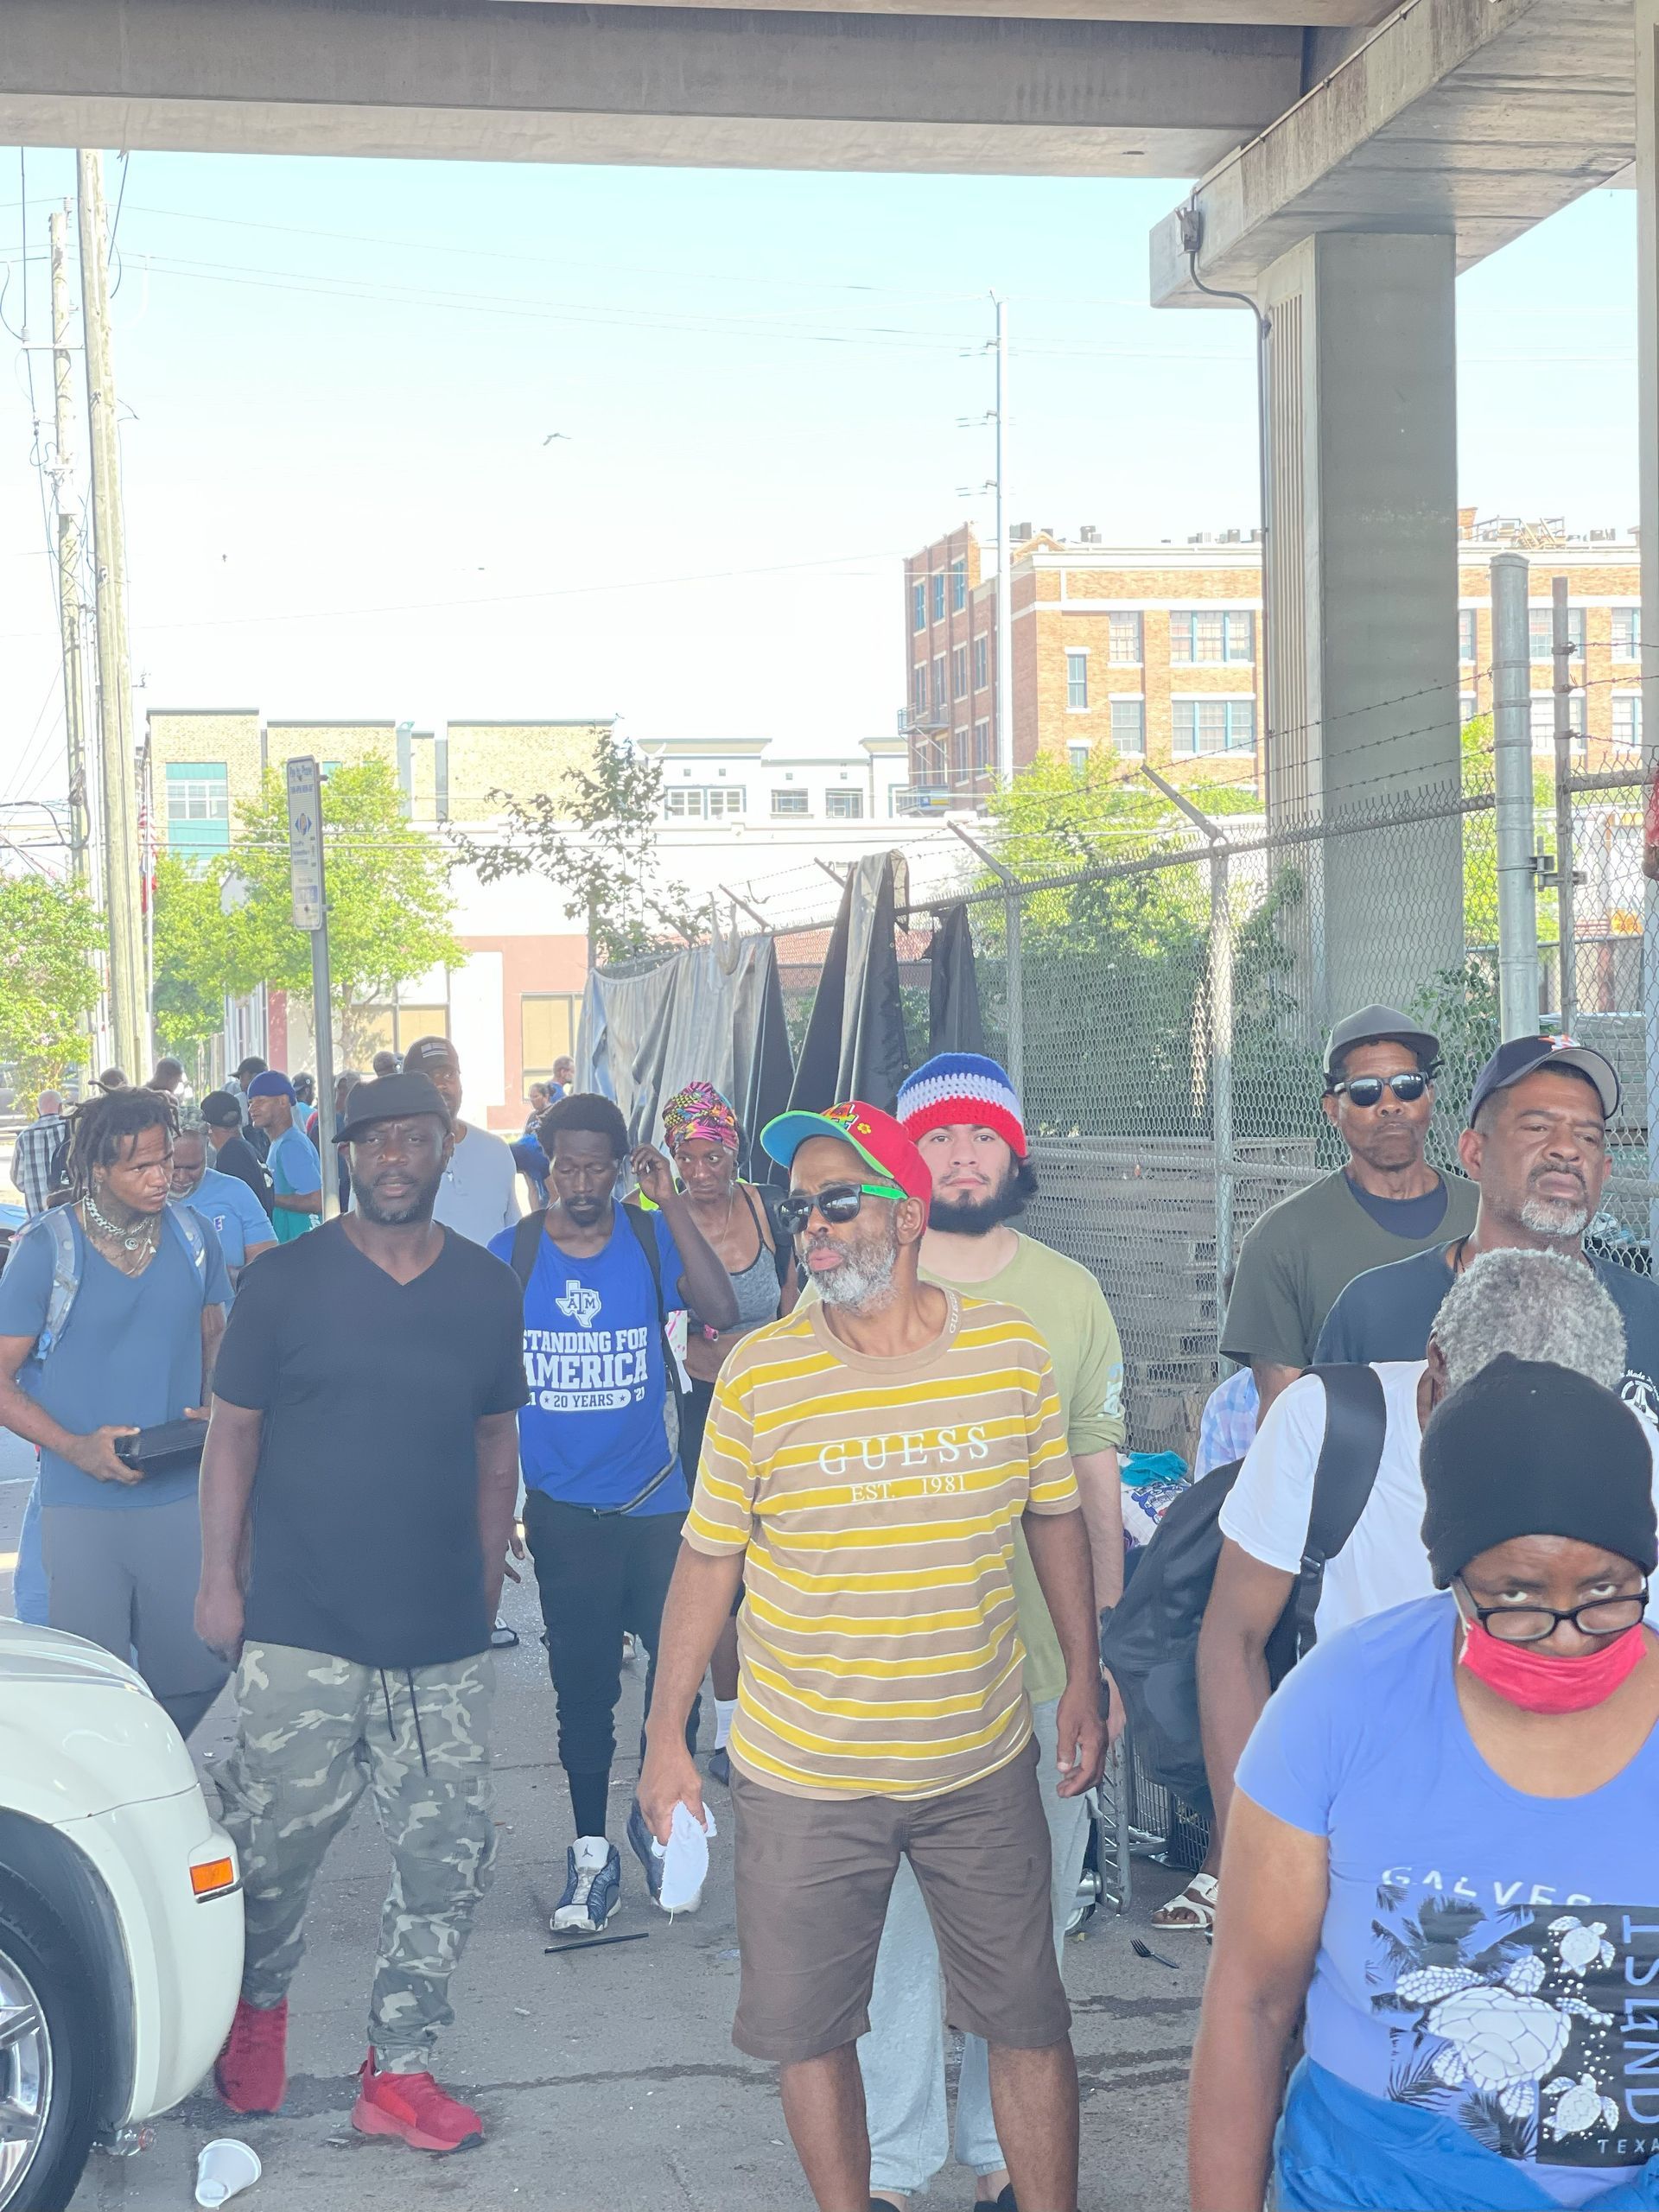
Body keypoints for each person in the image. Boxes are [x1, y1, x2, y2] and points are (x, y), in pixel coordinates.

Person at [639, 1098, 1106, 2212]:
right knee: (812, 2029)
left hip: (979, 1760)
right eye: (801, 1207)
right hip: (805, 1774)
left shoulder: (1008, 1355)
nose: (814, 1226)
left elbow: (1052, 1518)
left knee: (1027, 2018)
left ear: (906, 1214)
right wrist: (666, 1741)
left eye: (840, 1200)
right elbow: (708, 1564)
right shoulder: (759, 1375)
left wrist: (1085, 1674)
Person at [1192, 1355, 1659, 2212]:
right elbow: (1252, 2002)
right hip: (1363, 2187)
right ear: (1449, 1570)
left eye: (1605, 1593)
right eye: (1515, 1594)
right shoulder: (1342, 1702)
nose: (1563, 1636)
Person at [197, 1070, 528, 2153]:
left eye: (415, 1139)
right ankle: (254, 2011)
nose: (394, 1158)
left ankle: (402, 2066)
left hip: (437, 1637)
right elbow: (232, 1436)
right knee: (272, 1850)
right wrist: (220, 1578)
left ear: (446, 1147)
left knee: (449, 1855)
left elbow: (493, 1444)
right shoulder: (284, 1283)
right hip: (303, 1626)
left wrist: (482, 1586)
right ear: (346, 1155)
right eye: (374, 1141)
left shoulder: (485, 1288)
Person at [1173, 1248, 1639, 1938]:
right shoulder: (1326, 1423)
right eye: (1496, 1420)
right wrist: (1257, 1861)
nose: (1524, 1452)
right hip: (1354, 1843)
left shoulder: (1636, 1455)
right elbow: (1233, 1640)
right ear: (1438, 1362)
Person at [856, 1051, 1128, 2212]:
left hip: (1043, 1668)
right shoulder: (861, 1284)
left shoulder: (1070, 1292)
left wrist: (1096, 1662)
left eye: (985, 1138)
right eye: (943, 1138)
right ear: (908, 1162)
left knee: (1027, 1934)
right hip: (902, 1670)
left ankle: (1007, 2158)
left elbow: (1094, 1474)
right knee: (902, 1934)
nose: (965, 1157)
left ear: (1014, 1156)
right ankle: (895, 2165)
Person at [488, 1091, 738, 1935]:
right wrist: (498, 1509)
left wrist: (666, 1198)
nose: (584, 1179)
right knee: (582, 1692)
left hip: (657, 1507)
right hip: (564, 1516)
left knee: (678, 1685)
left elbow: (723, 1309)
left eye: (601, 1164)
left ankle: (662, 1820)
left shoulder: (644, 1234)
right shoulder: (514, 1255)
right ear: (546, 1168)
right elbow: (479, 1391)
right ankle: (591, 1851)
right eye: (569, 1165)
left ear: (620, 1166)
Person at [0, 1086, 231, 1732]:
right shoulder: (48, 1249)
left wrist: (212, 1405)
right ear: (97, 1169)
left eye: (166, 1161)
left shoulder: (193, 1238)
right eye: (140, 1167)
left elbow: (215, 1331)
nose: (162, 1179)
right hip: (82, 1501)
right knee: (91, 1686)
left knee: (199, 1669)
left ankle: (157, 1777)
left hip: (181, 1490)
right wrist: (75, 1447)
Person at [1316, 1035, 1659, 1419]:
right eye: (1538, 1128)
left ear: (1604, 1171)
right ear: (1474, 1154)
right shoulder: (1373, 1308)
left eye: (1588, 1137)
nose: (1567, 1149)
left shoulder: (1650, 1315)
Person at [1221, 1006, 1477, 1420]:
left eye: (1407, 1086)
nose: (1391, 1104)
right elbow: (1280, 1415)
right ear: (1331, 1108)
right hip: (1354, 1478)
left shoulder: (1490, 1215)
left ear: (1429, 1094)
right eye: (1365, 1091)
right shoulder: (1280, 1241)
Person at [659, 1079, 796, 1786]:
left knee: (787, 1556)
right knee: (721, 1567)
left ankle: (792, 1708)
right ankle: (727, 1728)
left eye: (714, 1155)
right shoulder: (660, 1220)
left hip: (779, 1403)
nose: (703, 1172)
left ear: (734, 1150)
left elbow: (799, 1307)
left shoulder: (769, 1209)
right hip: (704, 1409)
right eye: (690, 1156)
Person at [401, 1037, 521, 1247]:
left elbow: (514, 1235)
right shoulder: (391, 1158)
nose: (441, 1084)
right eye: (428, 1077)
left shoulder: (496, 1150)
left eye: (449, 1075)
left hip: (489, 1279)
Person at [169, 1120, 276, 1284]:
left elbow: (267, 1267)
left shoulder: (235, 1192)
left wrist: (224, 1277)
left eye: (193, 1167)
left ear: (207, 1149)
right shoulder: (142, 1197)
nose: (182, 1177)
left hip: (231, 1307)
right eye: (173, 1167)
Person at [246, 1072, 324, 1242]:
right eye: (250, 1103)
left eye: (260, 1101)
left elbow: (316, 1200)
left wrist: (267, 1196)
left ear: (283, 1101)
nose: (252, 1108)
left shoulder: (291, 1145)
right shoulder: (281, 1142)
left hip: (304, 1249)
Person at [201, 1090, 276, 1210]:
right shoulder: (248, 1149)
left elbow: (236, 1208)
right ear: (240, 1119)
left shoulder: (231, 1154)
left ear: (207, 1127)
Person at [11, 1089, 69, 1216]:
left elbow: (18, 1181)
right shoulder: (71, 1129)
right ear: (61, 1107)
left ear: (38, 1111)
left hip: (38, 1219)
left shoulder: (23, 1137)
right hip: (69, 1214)